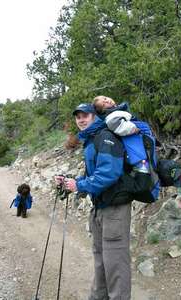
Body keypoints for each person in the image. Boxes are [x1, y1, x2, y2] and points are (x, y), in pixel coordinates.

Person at [55, 103, 133, 300]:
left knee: (115, 264)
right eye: (78, 117)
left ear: (94, 117)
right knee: (101, 262)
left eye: (85, 115)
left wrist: (80, 186)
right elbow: (93, 174)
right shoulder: (91, 140)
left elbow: (109, 173)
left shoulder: (105, 137)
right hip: (100, 208)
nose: (81, 119)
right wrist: (71, 182)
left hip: (115, 209)